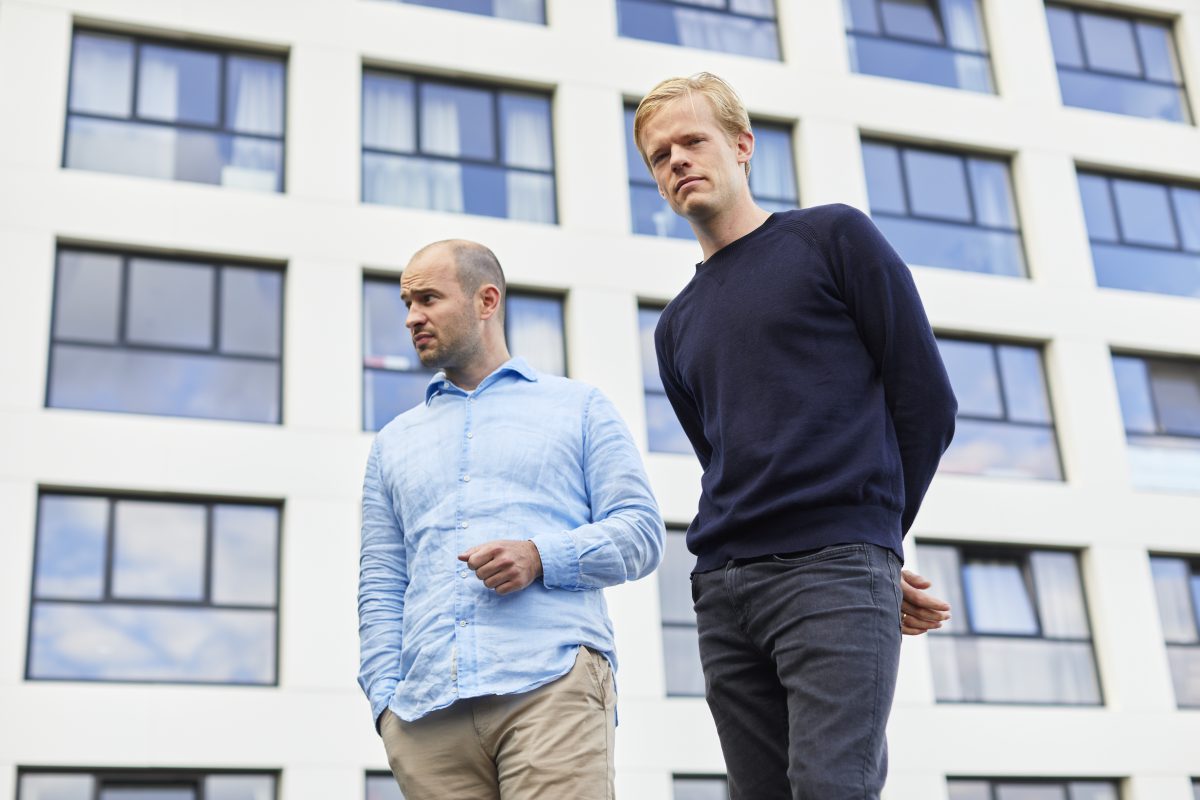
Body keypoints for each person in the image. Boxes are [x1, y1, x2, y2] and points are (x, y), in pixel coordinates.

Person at [633, 73, 959, 799]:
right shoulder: (675, 325)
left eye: (693, 140)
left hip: (834, 572)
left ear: (742, 146)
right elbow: (723, 460)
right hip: (723, 590)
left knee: (831, 788)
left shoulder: (833, 238)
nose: (677, 160)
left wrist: (874, 544)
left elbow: (927, 402)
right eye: (660, 155)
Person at [357, 239, 665, 800]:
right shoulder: (391, 443)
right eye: (406, 303)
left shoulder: (580, 407)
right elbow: (381, 581)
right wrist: (385, 703)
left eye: (427, 298)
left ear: (486, 300)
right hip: (426, 720)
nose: (410, 318)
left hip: (550, 688)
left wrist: (540, 555)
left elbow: (642, 530)